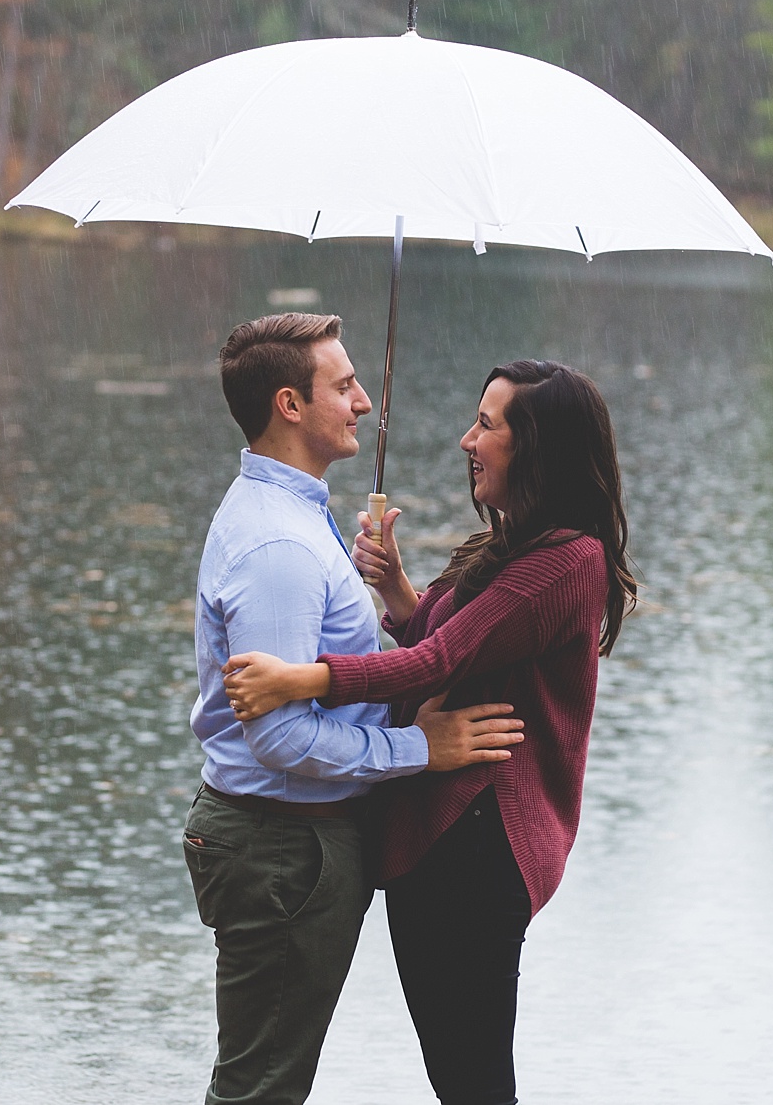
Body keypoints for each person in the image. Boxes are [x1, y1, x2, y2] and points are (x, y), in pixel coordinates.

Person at [223, 360, 636, 1105]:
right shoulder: (511, 546)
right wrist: (395, 588)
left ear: (536, 446)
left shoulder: (566, 561)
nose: (466, 439)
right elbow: (452, 645)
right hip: (442, 838)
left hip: (481, 843)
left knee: (474, 1083)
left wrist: (301, 678)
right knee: (457, 1077)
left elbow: (433, 662)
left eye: (487, 424)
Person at [186, 312, 528, 1105]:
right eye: (343, 386)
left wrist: (385, 589)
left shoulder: (301, 516)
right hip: (284, 847)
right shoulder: (281, 547)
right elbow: (278, 736)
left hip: (292, 844)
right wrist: (421, 749)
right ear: (289, 405)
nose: (365, 402)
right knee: (260, 1089)